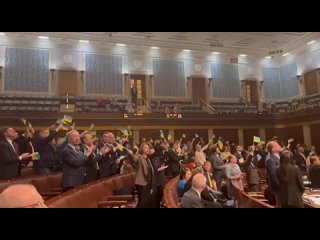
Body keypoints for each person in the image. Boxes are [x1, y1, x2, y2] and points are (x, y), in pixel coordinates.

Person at [133, 143, 155, 208]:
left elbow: (150, 171)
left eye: (148, 148)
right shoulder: (139, 157)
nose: (148, 149)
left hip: (148, 183)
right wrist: (131, 154)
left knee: (147, 202)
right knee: (142, 202)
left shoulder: (148, 159)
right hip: (141, 183)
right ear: (142, 149)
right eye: (145, 147)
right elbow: (134, 159)